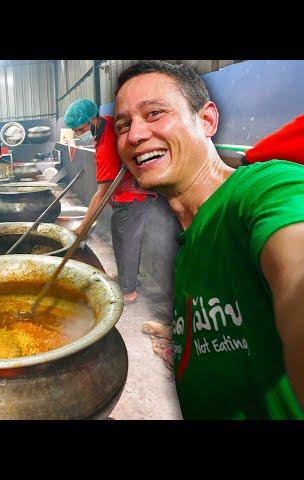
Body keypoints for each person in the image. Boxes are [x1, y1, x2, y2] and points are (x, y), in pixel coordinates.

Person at [113, 60, 304, 419]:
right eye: (124, 125)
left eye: (154, 113)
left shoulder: (261, 191)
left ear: (207, 120)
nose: (134, 135)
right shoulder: (190, 244)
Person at [65, 98, 155, 304]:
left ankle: (128, 292)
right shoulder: (106, 124)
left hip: (133, 196)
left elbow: (101, 193)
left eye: (81, 129)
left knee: (126, 241)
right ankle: (127, 280)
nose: (79, 134)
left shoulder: (107, 143)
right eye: (76, 132)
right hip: (132, 191)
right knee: (125, 240)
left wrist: (83, 226)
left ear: (93, 119)